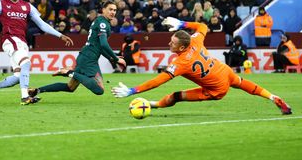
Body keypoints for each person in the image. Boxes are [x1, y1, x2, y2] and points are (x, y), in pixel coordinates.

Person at [112, 17, 292, 115]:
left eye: (172, 43)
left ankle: (154, 105)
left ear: (182, 47)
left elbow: (158, 81)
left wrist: (132, 90)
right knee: (244, 84)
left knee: (176, 96)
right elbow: (203, 26)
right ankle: (273, 97)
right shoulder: (195, 40)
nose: (169, 44)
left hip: (215, 89)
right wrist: (181, 24)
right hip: (224, 71)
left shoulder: (181, 62)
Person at [0, 0, 74, 105]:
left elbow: (42, 25)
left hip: (22, 42)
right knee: (26, 63)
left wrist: (60, 35)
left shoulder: (27, 6)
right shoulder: (1, 4)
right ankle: (25, 97)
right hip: (10, 39)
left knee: (18, 77)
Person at [28, 1, 126, 97]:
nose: (113, 12)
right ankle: (69, 72)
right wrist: (117, 59)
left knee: (70, 87)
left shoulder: (100, 21)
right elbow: (104, 44)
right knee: (99, 90)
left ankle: (37, 90)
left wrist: (112, 57)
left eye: (114, 10)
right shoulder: (103, 23)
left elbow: (101, 47)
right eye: (110, 9)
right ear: (103, 10)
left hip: (85, 56)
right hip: (89, 59)